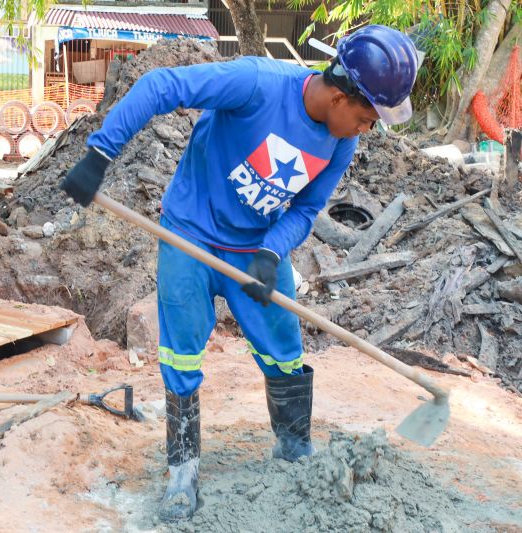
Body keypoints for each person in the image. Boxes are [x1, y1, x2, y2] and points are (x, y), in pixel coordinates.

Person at [60, 25, 419, 522]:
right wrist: (100, 153)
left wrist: (272, 252)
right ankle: (182, 473)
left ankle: (294, 450)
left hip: (253, 248)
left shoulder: (340, 143)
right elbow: (162, 86)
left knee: (284, 351)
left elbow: (306, 209)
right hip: (191, 236)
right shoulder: (256, 83)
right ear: (339, 96)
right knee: (181, 355)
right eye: (367, 118)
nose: (367, 130)